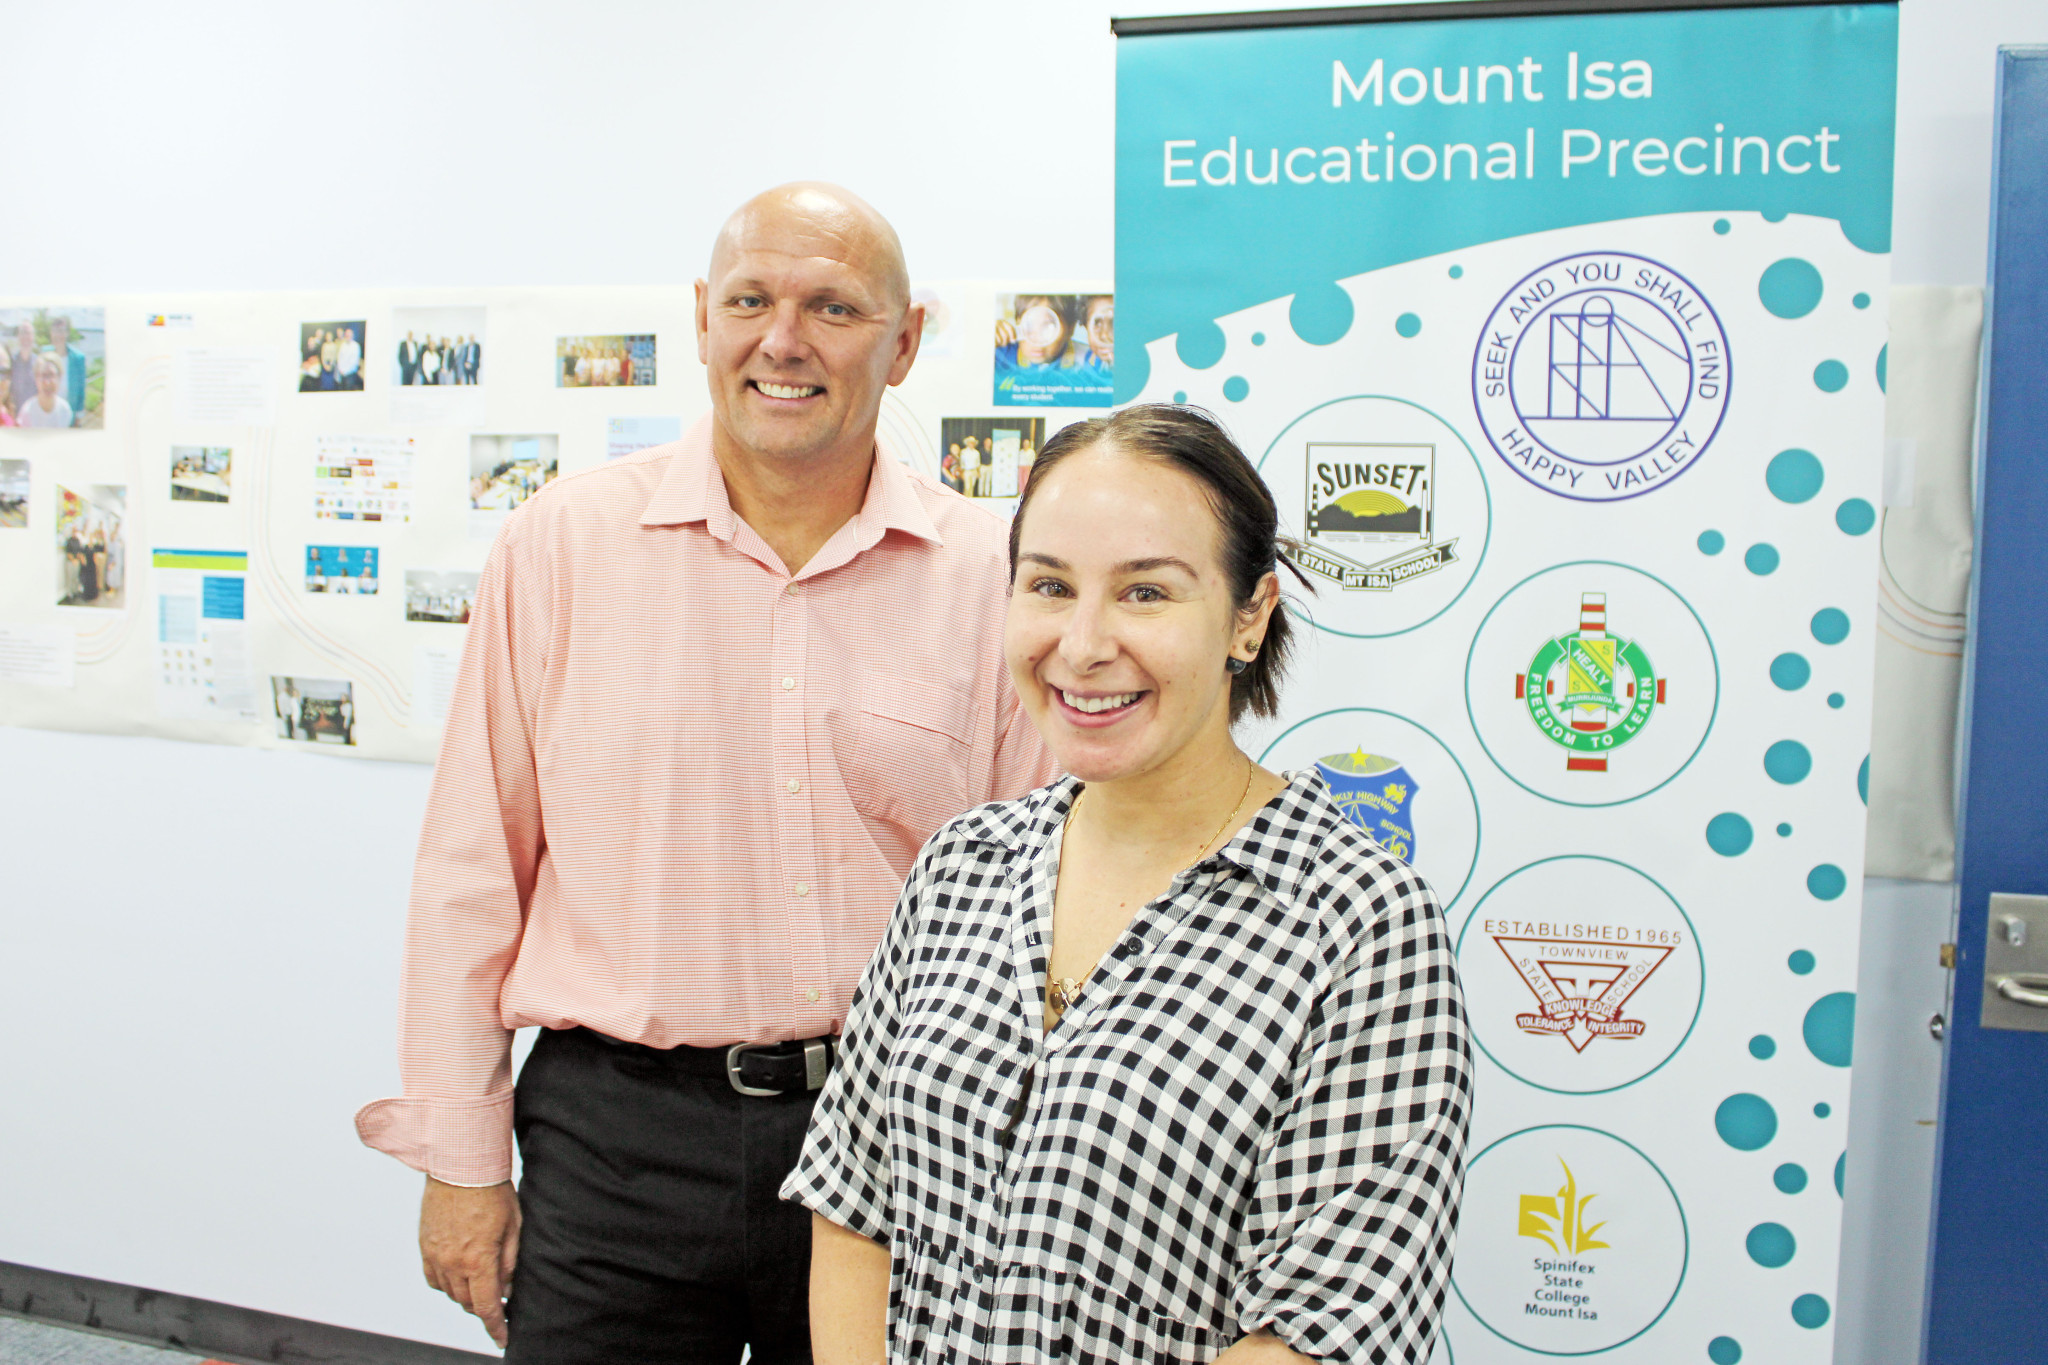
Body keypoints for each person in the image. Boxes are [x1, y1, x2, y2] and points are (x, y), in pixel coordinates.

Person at [353, 182, 1058, 1364]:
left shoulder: (992, 572)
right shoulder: (562, 545)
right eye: (750, 300)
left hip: (898, 1134)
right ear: (700, 318)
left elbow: (1042, 904)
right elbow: (471, 872)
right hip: (614, 1142)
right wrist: (461, 1163)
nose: (783, 341)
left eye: (833, 307)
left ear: (905, 343)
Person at [790, 405, 1472, 1365]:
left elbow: (1324, 1327)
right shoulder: (958, 869)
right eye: (1050, 587)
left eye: (1146, 593)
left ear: (1250, 616)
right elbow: (854, 1205)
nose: (1083, 643)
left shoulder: (1357, 927)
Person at [17, 355, 73, 428]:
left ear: (60, 377)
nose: (47, 382)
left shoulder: (65, 411)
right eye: (44, 375)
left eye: (51, 375)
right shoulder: (27, 411)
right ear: (36, 378)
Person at [48, 315, 86, 422]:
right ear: (51, 333)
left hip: (70, 413)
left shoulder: (78, 358)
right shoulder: (45, 354)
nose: (58, 335)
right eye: (55, 330)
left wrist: (79, 415)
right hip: (49, 413)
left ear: (67, 333)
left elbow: (81, 389)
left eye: (61, 330)